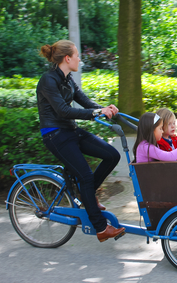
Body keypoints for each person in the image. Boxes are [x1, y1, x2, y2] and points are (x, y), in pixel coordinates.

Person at [37, 39, 125, 242]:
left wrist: (106, 109)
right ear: (67, 58)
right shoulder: (48, 80)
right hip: (55, 135)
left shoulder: (68, 79)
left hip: (70, 131)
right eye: (77, 55)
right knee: (85, 176)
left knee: (112, 154)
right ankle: (101, 228)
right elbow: (63, 110)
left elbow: (84, 101)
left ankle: (88, 196)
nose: (80, 59)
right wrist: (96, 112)